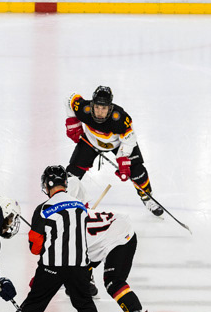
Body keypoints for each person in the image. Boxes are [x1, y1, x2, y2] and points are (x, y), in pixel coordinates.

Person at [9, 165, 99, 312]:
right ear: (65, 182)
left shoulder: (43, 209)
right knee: (85, 305)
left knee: (35, 303)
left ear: (47, 184)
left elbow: (35, 248)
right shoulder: (81, 206)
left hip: (52, 267)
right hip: (79, 267)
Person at [65, 86, 164, 217]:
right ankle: (64, 200)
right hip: (90, 141)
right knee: (73, 171)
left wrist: (123, 158)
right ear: (92, 104)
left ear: (110, 108)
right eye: (97, 107)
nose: (99, 112)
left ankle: (147, 198)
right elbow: (69, 99)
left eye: (104, 108)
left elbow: (130, 139)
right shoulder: (84, 108)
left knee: (137, 171)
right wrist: (74, 124)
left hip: (118, 144)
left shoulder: (120, 118)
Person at [85, 208, 156, 312]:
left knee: (113, 282)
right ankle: (87, 283)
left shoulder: (65, 235)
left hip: (120, 238)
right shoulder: (68, 217)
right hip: (111, 232)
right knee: (82, 264)